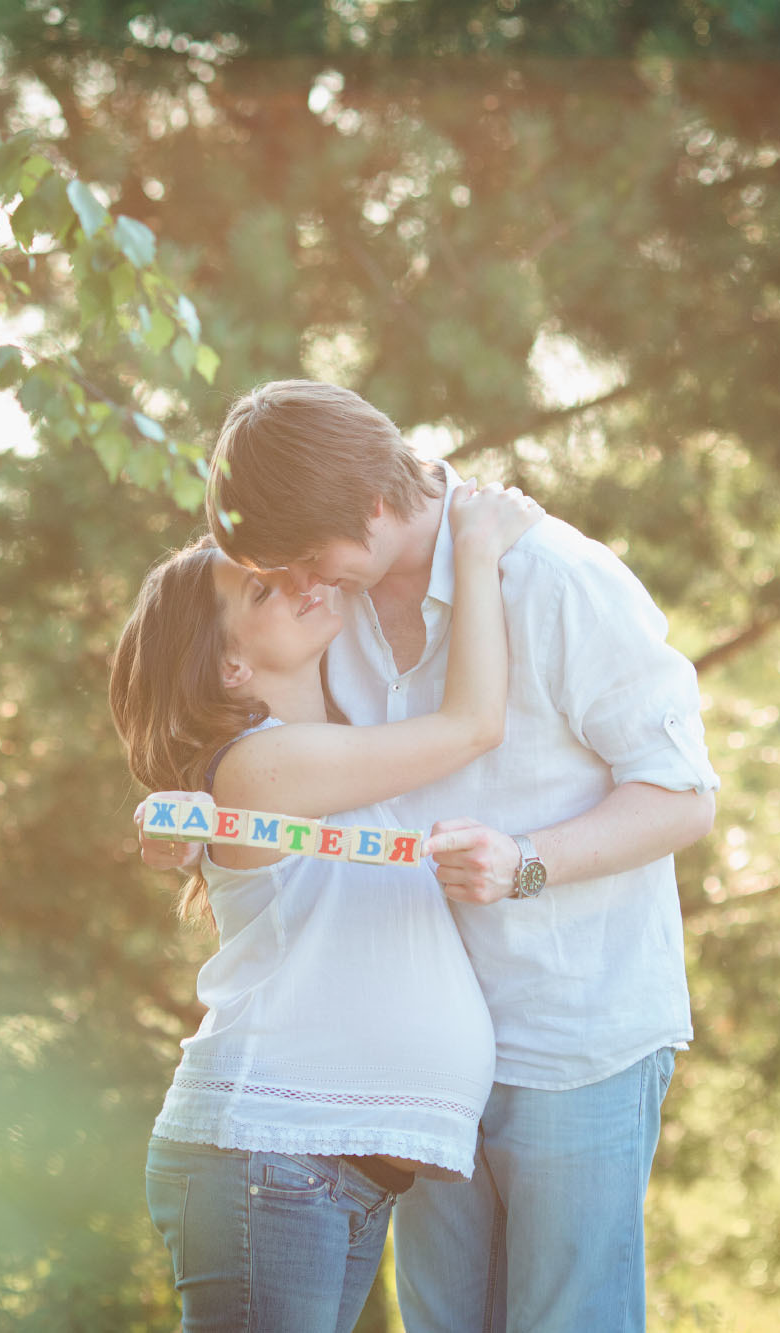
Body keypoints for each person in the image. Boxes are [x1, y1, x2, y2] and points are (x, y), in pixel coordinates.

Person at [141, 380, 720, 1331]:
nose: (304, 582)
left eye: (305, 558)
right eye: (279, 570)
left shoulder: (557, 579)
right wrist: (183, 815)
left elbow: (685, 795)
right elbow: (232, 707)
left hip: (573, 1033)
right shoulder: (335, 614)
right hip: (422, 1086)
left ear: (372, 505)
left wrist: (526, 860)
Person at [109, 480, 544, 1333]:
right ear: (230, 667)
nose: (303, 580)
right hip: (269, 1155)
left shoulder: (339, 765)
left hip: (319, 1167)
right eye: (262, 590)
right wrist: (477, 546)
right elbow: (471, 726)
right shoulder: (259, 766)